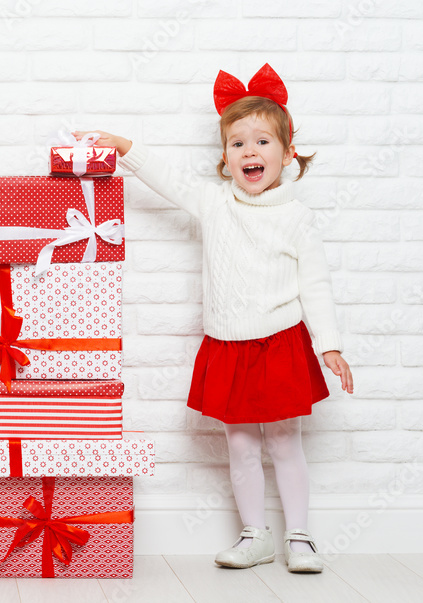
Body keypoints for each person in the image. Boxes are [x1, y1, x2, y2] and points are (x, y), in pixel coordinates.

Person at [73, 63, 354, 574]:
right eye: (238, 144)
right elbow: (168, 179)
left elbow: (316, 285)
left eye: (263, 142)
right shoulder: (214, 202)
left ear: (288, 154)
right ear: (225, 159)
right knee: (241, 442)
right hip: (228, 343)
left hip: (280, 342)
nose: (251, 152)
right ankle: (255, 535)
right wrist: (124, 146)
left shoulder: (296, 218)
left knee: (284, 439)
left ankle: (300, 537)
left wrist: (328, 344)